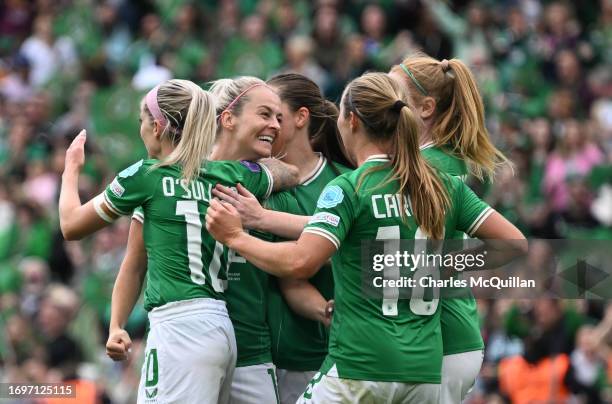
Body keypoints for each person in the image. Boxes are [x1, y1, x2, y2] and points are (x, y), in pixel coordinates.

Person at [206, 72, 526, 403]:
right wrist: (443, 264)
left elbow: (301, 261)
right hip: (425, 370)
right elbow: (514, 244)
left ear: (352, 121)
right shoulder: (442, 184)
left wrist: (237, 238)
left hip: (361, 363)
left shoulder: (350, 188)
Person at [58, 79, 297, 404]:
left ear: (158, 127)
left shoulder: (146, 175)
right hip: (221, 329)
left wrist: (70, 169)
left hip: (179, 328)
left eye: (142, 122)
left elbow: (71, 225)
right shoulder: (227, 176)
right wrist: (116, 325)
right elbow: (287, 172)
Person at [213, 73, 352, 404]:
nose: (271, 124)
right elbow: (290, 279)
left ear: (301, 117)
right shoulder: (255, 181)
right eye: (264, 113)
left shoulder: (345, 182)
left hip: (326, 356)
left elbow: (340, 245)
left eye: (277, 114)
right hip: (261, 356)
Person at [388, 53, 508, 404]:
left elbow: (510, 243)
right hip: (448, 334)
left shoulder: (425, 164)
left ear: (425, 108)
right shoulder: (436, 156)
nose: (383, 100)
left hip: (442, 337)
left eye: (394, 94)